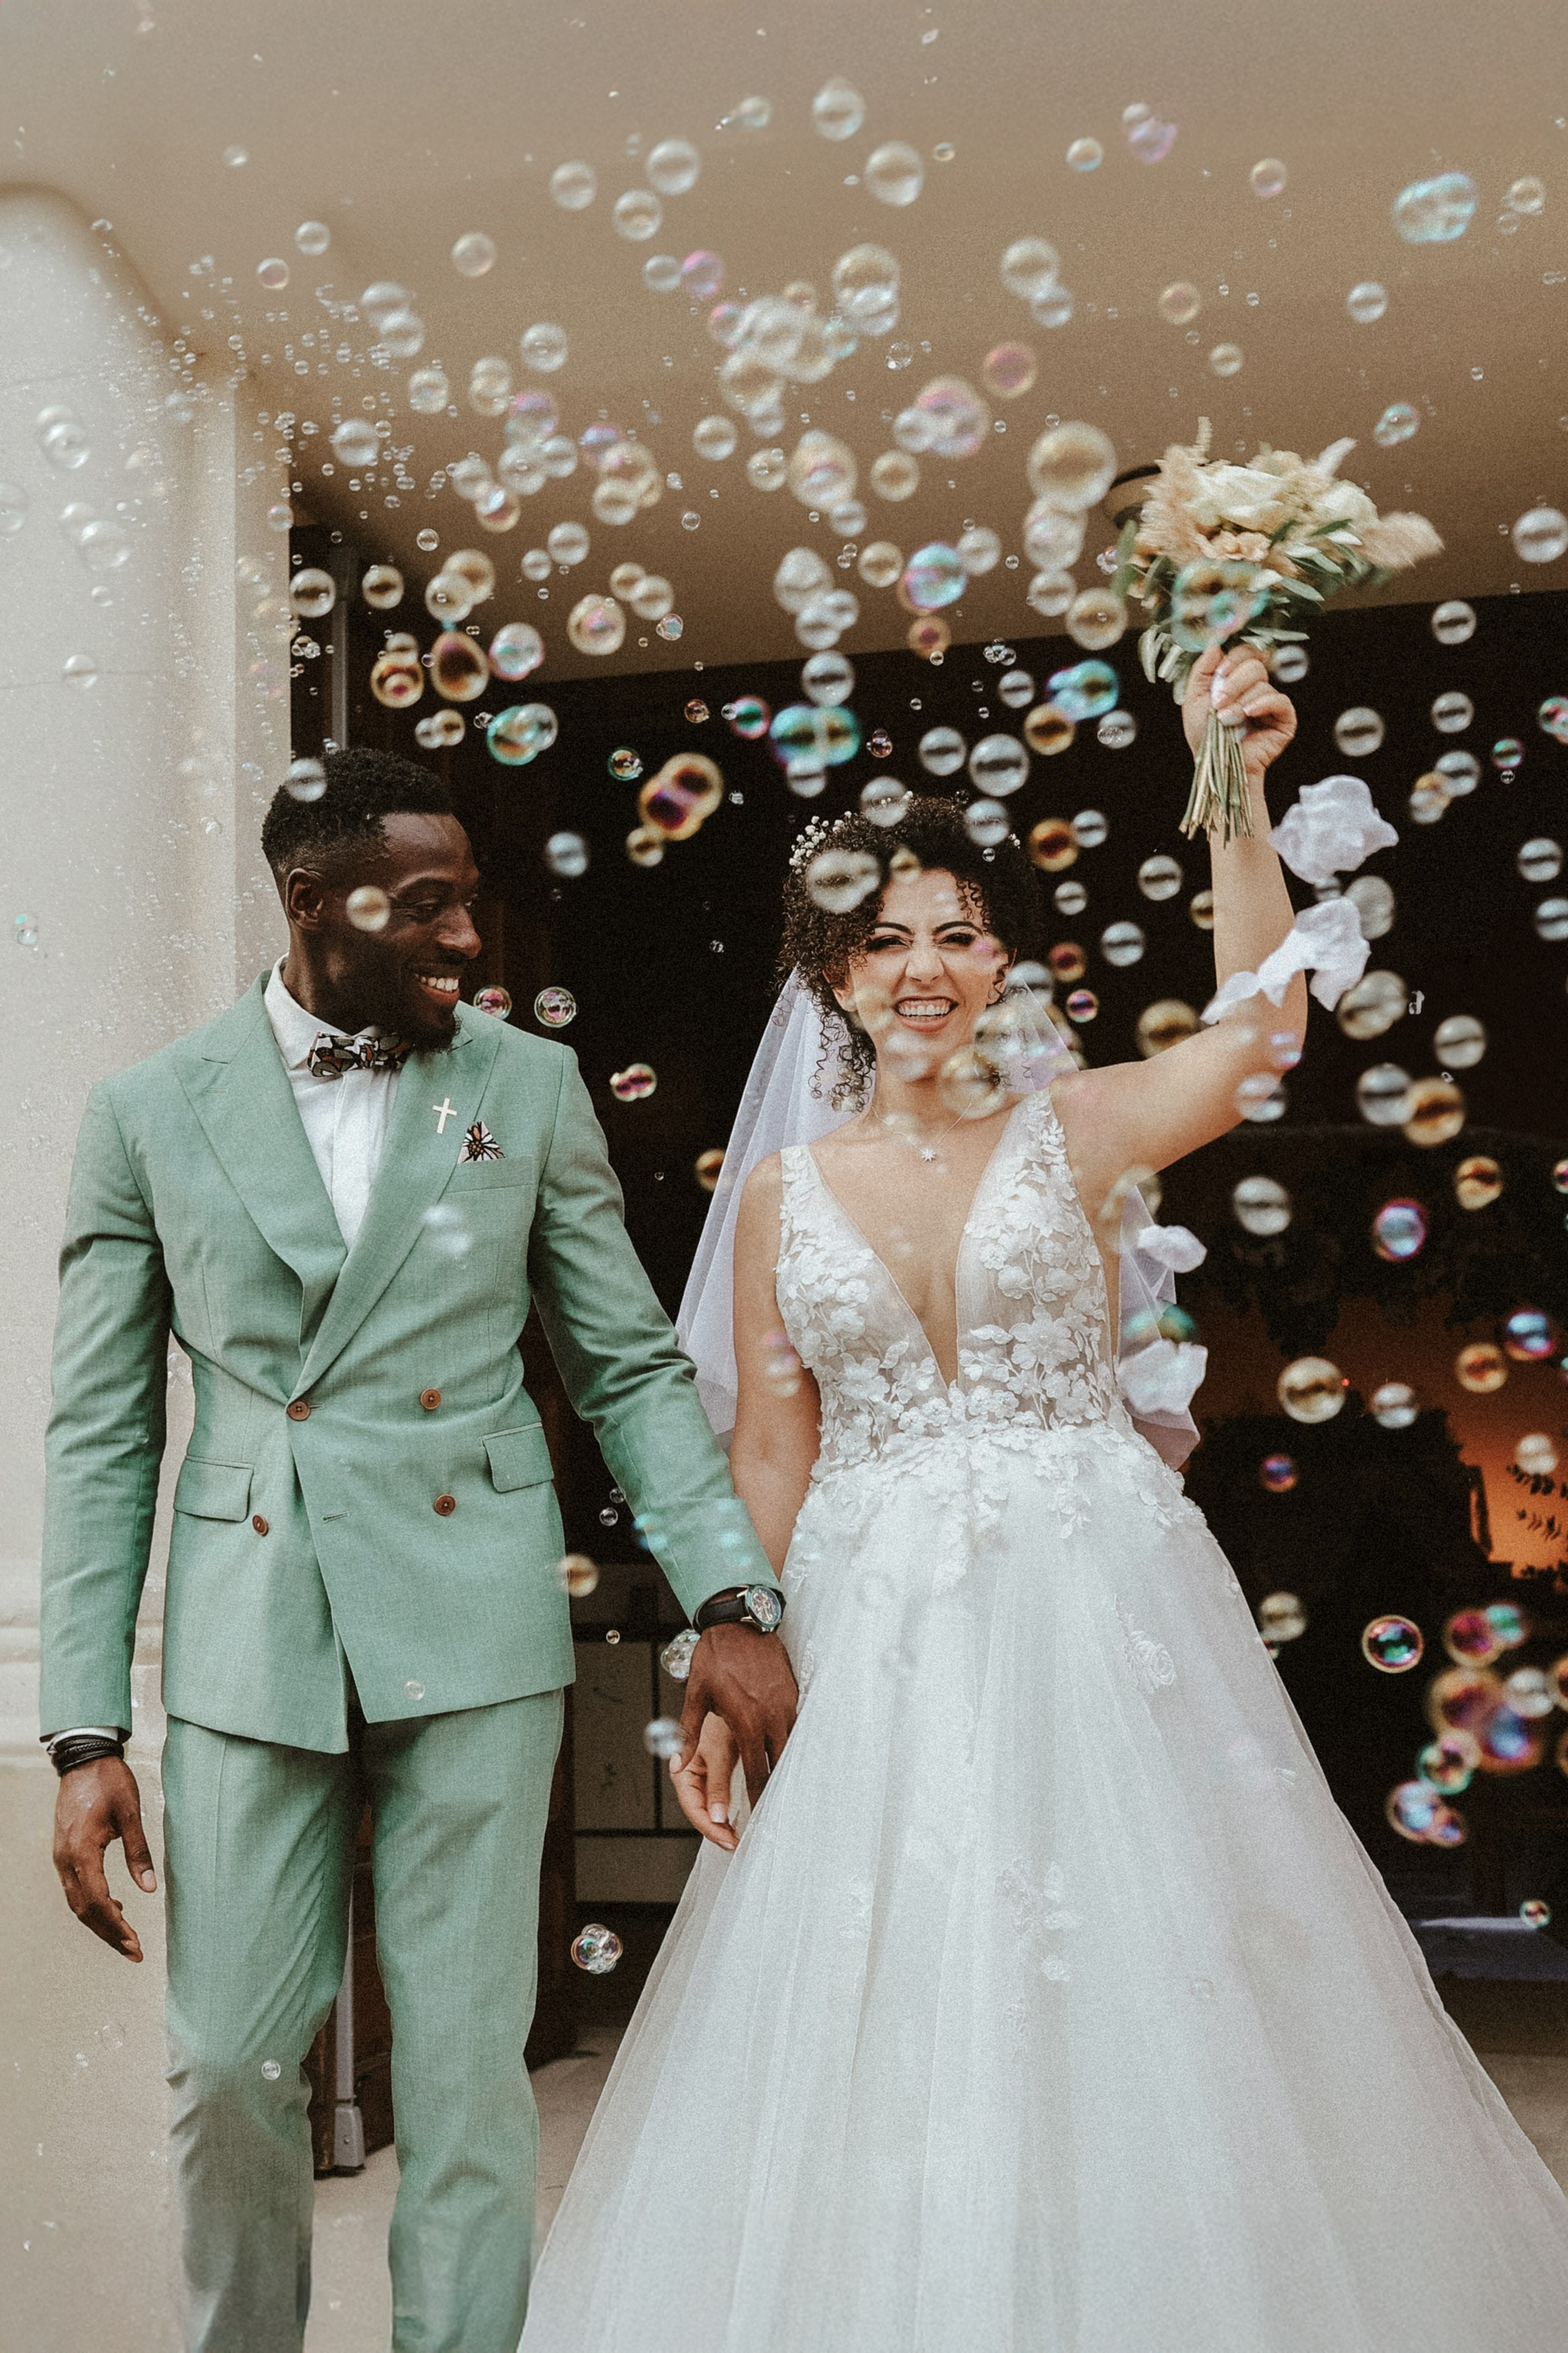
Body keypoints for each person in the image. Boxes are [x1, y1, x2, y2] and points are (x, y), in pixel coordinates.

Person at [520, 645, 1568, 2351]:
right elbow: (770, 1455)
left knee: (1140, 1977)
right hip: (868, 1618)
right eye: (884, 937)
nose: (923, 967)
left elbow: (1261, 1029)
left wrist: (1227, 778)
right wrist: (732, 1651)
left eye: (957, 931)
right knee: (880, 1990)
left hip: (1097, 1602)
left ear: (1002, 958)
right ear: (833, 973)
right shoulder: (785, 1192)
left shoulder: (1076, 1130)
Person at [39, 746, 797, 2353]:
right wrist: (83, 1722)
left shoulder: (525, 1088)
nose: (474, 944)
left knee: (466, 2077)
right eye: (433, 906)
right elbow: (100, 1432)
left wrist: (732, 1591)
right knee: (229, 2066)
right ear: (314, 902)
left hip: (474, 1621)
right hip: (254, 1629)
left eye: (475, 903)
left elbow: (624, 1364)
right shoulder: (147, 1111)